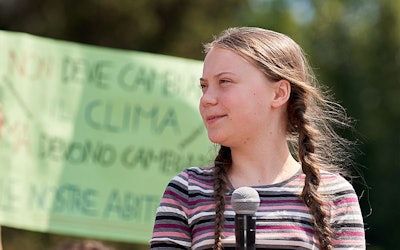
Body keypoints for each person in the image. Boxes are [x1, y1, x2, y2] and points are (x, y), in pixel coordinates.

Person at [150, 27, 365, 249]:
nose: (206, 99)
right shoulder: (186, 191)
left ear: (279, 93)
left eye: (224, 81)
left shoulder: (334, 195)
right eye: (204, 87)